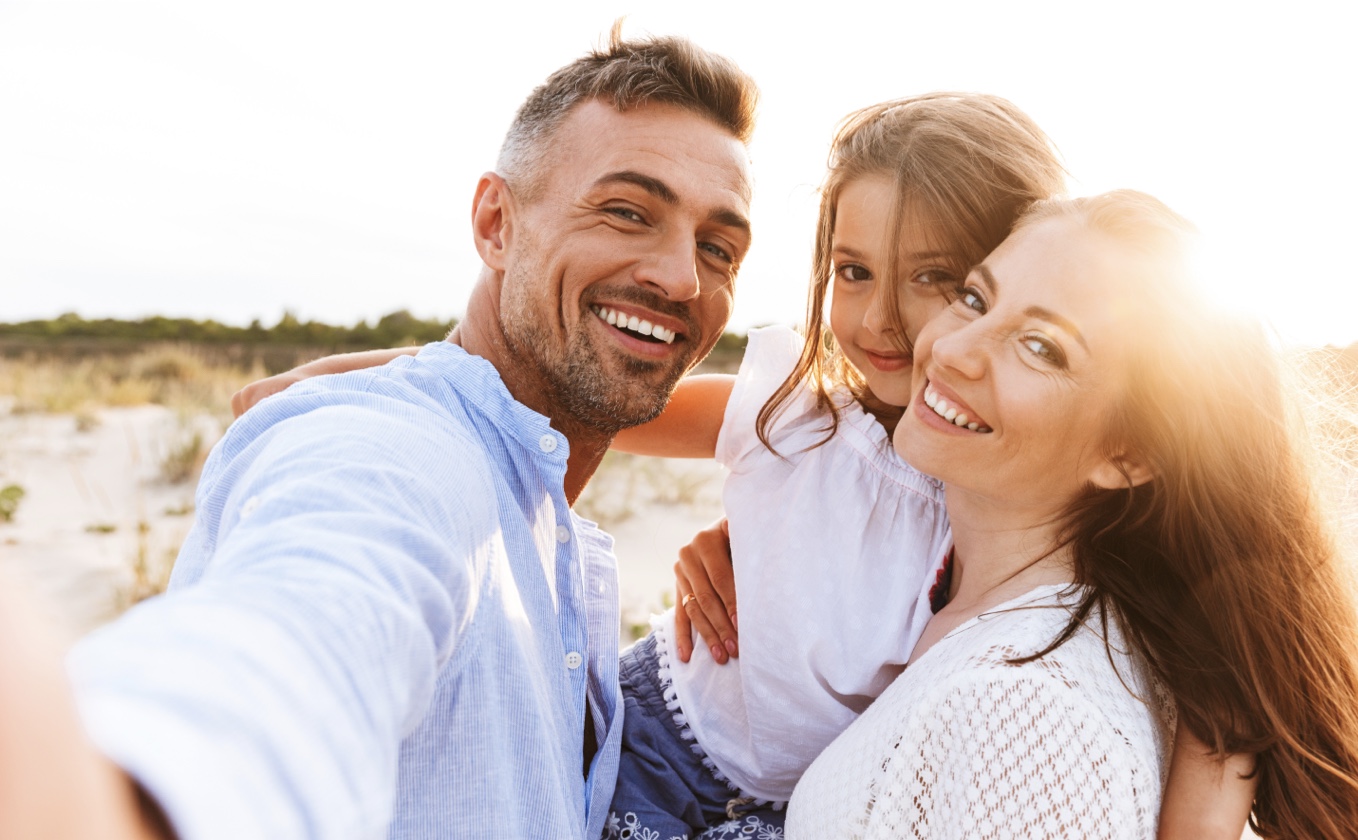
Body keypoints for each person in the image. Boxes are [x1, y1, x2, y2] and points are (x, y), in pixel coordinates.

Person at [9, 29, 760, 840]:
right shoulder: (403, 454)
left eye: (718, 248)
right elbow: (309, 624)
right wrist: (120, 792)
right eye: (626, 211)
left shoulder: (538, 513)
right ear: (495, 223)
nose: (682, 276)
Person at [784, 190, 1358, 838]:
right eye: (975, 298)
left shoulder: (1026, 712)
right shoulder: (947, 584)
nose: (951, 350)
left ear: (1130, 453)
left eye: (1041, 347)